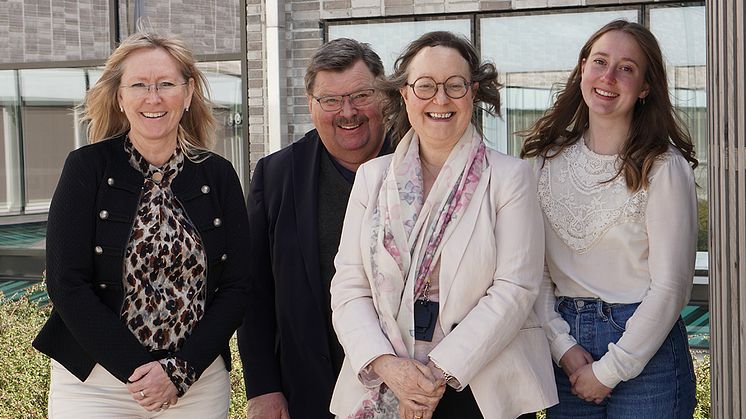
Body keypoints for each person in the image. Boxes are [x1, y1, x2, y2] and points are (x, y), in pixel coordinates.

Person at [329, 31, 558, 419]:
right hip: (386, 380)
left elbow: (515, 287)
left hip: (478, 383)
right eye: (425, 86)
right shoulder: (372, 178)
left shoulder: (510, 177)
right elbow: (349, 285)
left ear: (473, 93)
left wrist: (435, 374)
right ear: (404, 95)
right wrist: (389, 366)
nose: (440, 99)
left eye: (455, 85)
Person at [32, 32, 250, 418]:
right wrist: (140, 372)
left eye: (166, 84)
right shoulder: (86, 168)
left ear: (187, 94)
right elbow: (66, 283)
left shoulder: (218, 175)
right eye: (139, 85)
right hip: (95, 385)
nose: (154, 98)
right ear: (119, 96)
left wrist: (179, 373)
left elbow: (237, 286)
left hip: (195, 385)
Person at [521, 20, 698, 418]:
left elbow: (671, 287)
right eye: (599, 61)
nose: (608, 77)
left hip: (646, 349)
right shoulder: (542, 162)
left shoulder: (664, 167)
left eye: (627, 68)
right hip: (566, 347)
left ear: (645, 87)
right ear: (582, 68)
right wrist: (562, 347)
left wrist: (611, 370)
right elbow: (533, 272)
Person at [236, 38, 390, 418]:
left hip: (409, 393)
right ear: (310, 105)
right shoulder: (276, 176)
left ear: (385, 97)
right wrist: (263, 389)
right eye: (331, 100)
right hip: (309, 394)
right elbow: (253, 291)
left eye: (361, 95)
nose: (348, 112)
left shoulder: (422, 163)